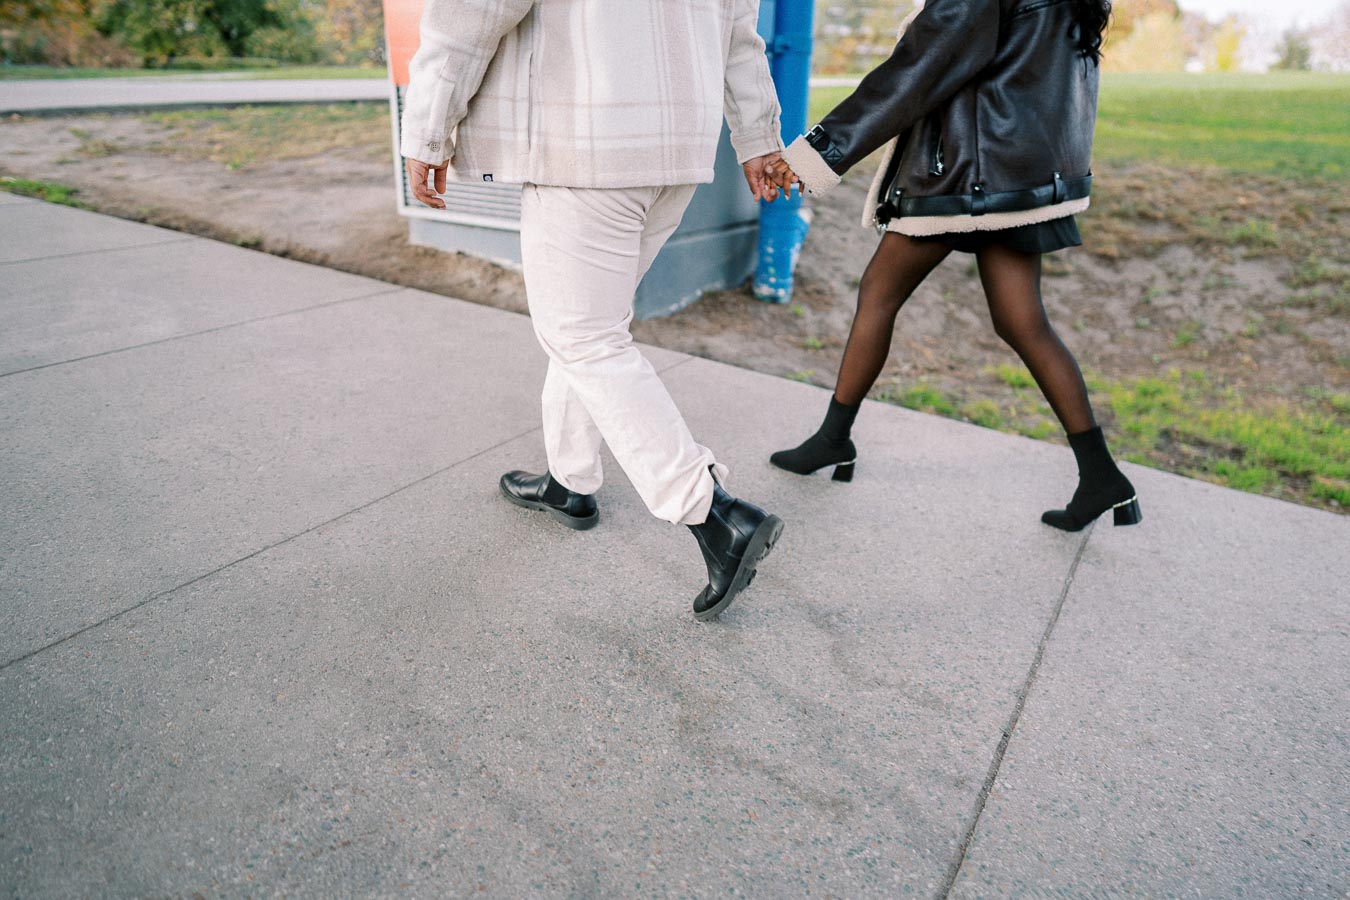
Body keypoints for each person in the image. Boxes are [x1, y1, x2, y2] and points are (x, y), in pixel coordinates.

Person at [401, 0, 789, 619]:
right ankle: (569, 480)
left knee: (582, 336)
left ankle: (712, 513)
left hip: (585, 138)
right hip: (675, 148)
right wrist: (758, 139)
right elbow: (740, 35)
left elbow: (469, 14)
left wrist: (426, 128)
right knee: (589, 331)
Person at [765, 0, 1141, 532]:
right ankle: (1101, 474)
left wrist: (817, 153)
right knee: (1021, 321)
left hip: (969, 173)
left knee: (879, 292)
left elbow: (919, 67)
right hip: (1022, 172)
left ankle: (832, 440)